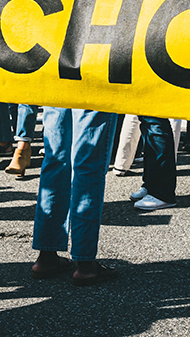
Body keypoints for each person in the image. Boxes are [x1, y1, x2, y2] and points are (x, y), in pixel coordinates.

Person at [30, 108, 119, 285]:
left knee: (55, 159)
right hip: (94, 84)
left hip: (56, 84)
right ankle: (85, 263)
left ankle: (46, 256)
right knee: (87, 165)